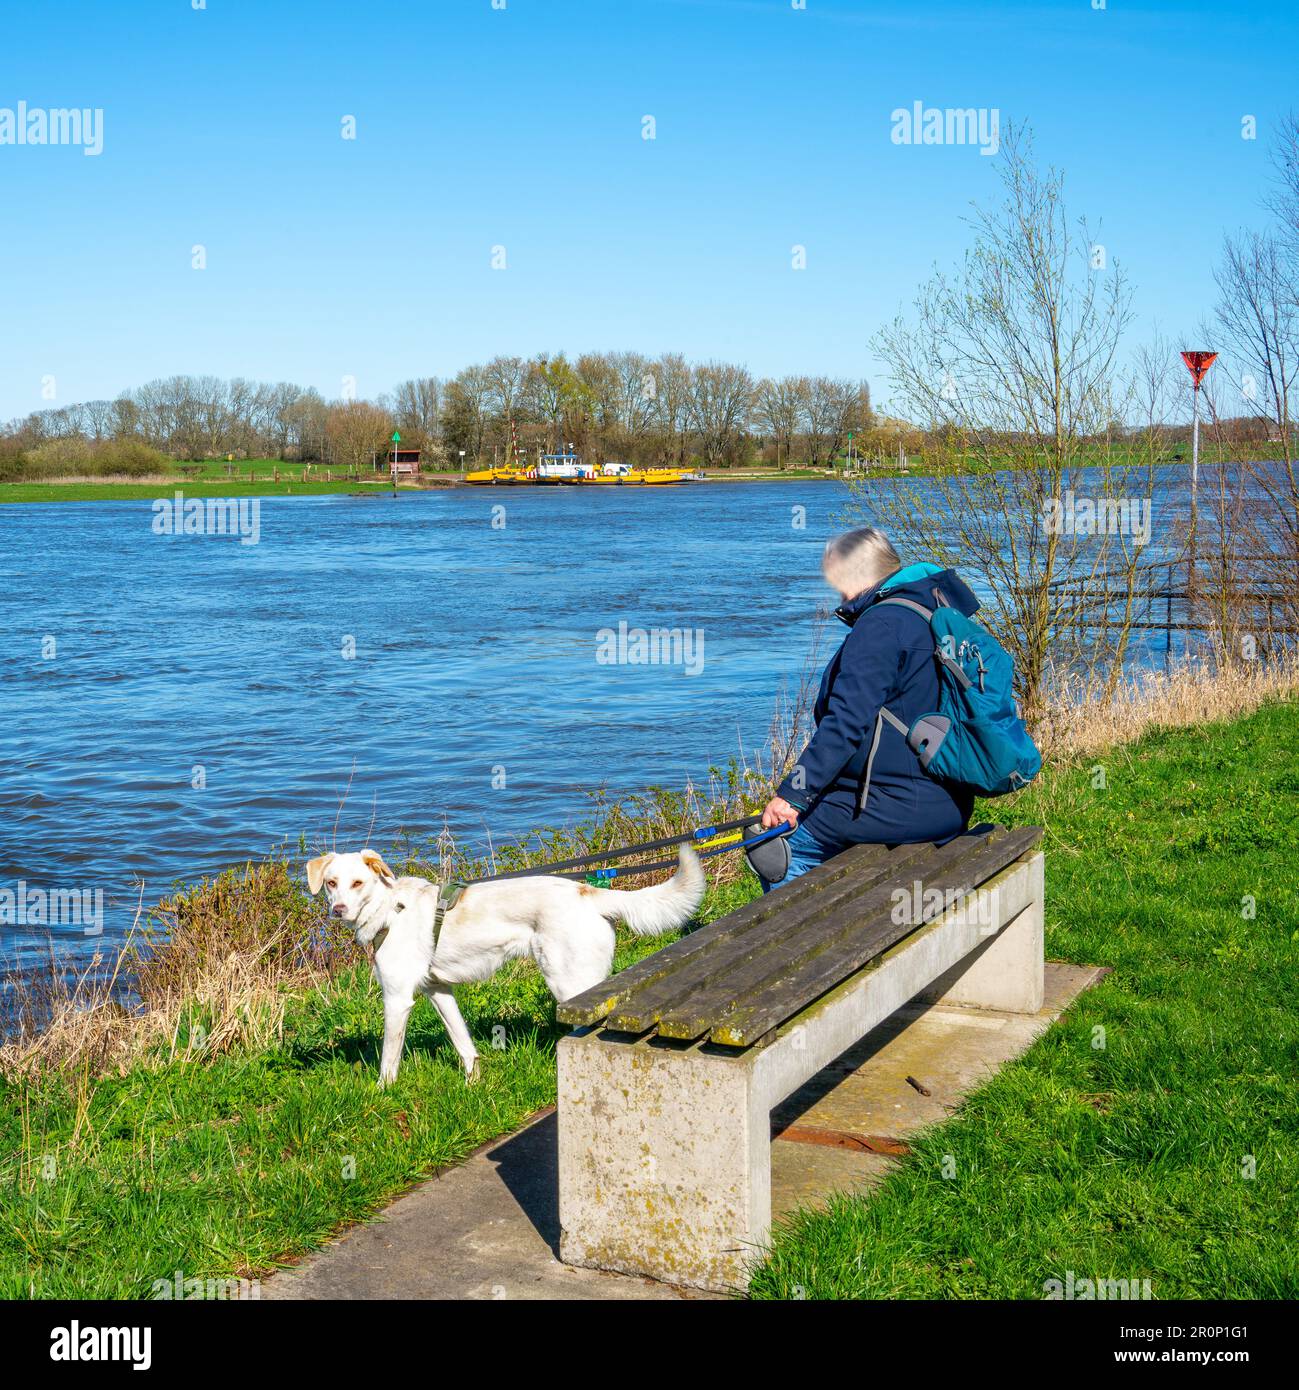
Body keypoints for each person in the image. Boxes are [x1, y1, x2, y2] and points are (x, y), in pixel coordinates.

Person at [756, 527, 978, 891]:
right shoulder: (934, 610)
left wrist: (791, 796)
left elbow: (844, 724)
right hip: (949, 800)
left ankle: (795, 944)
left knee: (779, 846)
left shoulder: (880, 626)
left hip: (899, 804)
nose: (837, 593)